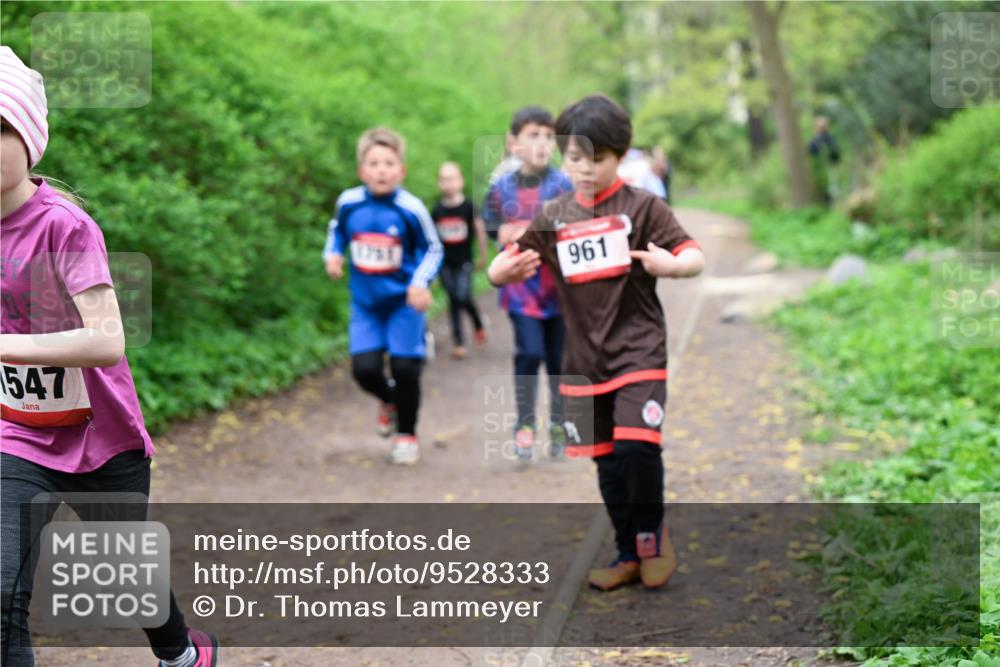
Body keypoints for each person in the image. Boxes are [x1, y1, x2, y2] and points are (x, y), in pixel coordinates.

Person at [0, 46, 218, 667]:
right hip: (16, 433)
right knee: (3, 594)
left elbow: (107, 340)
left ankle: (181, 653)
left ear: (29, 136)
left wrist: (4, 347)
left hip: (102, 435)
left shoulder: (64, 226)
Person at [487, 94, 705, 591]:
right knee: (605, 459)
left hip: (639, 350)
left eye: (597, 159)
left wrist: (673, 265)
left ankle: (651, 541)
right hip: (584, 361)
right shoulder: (556, 214)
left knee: (635, 448)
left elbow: (692, 253)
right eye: (575, 158)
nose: (584, 169)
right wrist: (498, 270)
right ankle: (627, 552)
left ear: (620, 155)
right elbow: (506, 262)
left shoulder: (642, 207)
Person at [323, 127, 443, 465]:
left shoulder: (410, 208)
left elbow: (432, 248)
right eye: (374, 163)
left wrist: (420, 282)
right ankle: (390, 400)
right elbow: (336, 233)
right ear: (362, 171)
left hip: (403, 304)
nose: (381, 170)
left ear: (401, 170)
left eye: (389, 163)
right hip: (366, 305)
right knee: (365, 370)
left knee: (406, 368)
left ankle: (406, 433)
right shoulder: (349, 203)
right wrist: (332, 255)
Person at [482, 107, 573, 462]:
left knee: (557, 360)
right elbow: (490, 223)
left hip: (558, 290)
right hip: (521, 290)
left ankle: (559, 425)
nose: (542, 143)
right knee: (529, 353)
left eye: (549, 137)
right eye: (533, 135)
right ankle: (524, 425)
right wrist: (498, 234)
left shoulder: (563, 185)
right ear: (514, 143)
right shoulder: (501, 186)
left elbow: (577, 227)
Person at [431, 162, 488, 359]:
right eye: (445, 179)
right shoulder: (437, 210)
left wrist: (482, 255)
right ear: (439, 183)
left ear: (461, 181)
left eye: (453, 178)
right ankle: (459, 342)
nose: (449, 183)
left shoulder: (469, 207)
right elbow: (432, 240)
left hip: (465, 261)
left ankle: (478, 324)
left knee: (463, 296)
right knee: (453, 300)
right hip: (444, 264)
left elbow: (480, 230)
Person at [808, 116, 840, 206]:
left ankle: (832, 207)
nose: (822, 128)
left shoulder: (830, 139)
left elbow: (836, 153)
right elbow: (810, 153)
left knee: (832, 190)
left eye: (823, 126)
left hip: (829, 167)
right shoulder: (814, 140)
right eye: (820, 126)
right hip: (818, 170)